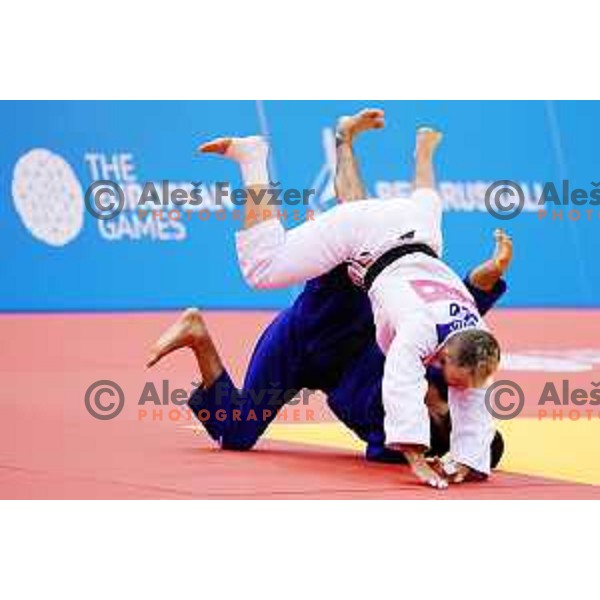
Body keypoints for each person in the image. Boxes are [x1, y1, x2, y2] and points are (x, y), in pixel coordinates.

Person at [147, 109, 512, 488]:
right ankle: (255, 159)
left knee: (235, 434)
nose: (461, 393)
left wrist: (458, 460)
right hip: (332, 315)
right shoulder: (430, 348)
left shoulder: (444, 373)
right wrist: (418, 458)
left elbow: (466, 327)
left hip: (319, 354)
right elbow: (456, 325)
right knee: (266, 268)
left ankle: (197, 334)